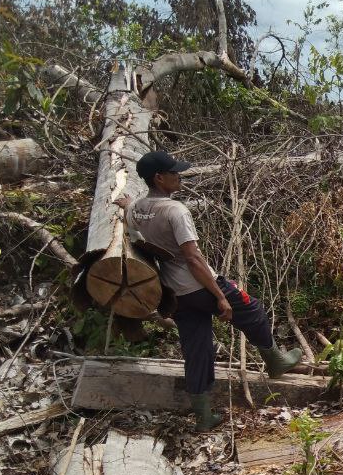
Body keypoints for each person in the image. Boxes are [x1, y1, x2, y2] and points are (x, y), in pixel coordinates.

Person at [118, 151, 302, 431]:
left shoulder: (136, 210)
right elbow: (193, 258)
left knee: (197, 348)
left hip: (173, 293)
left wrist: (127, 204)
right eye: (173, 172)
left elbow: (133, 209)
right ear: (159, 178)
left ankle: (204, 416)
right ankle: (276, 361)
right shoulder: (176, 211)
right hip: (198, 285)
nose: (179, 175)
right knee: (252, 310)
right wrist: (219, 295)